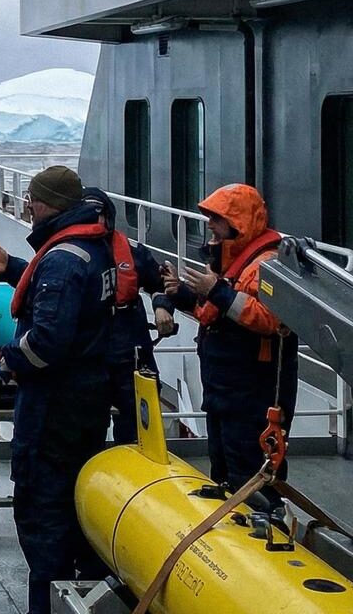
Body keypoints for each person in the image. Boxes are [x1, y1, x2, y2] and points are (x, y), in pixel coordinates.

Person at [0, 165, 113, 614]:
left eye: (31, 200)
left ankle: (46, 605)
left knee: (43, 516)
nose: (27, 207)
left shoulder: (64, 259)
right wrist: (12, 267)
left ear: (47, 204)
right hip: (86, 404)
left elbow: (48, 339)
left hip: (53, 412)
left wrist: (10, 361)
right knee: (79, 510)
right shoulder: (94, 247)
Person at [165, 183, 297, 516]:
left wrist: (217, 292)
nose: (209, 224)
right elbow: (217, 313)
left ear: (238, 222)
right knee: (223, 461)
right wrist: (184, 295)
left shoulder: (268, 263)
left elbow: (268, 318)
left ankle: (268, 526)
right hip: (225, 387)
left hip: (253, 390)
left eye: (216, 218)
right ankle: (232, 523)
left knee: (250, 469)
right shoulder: (233, 261)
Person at [80, 188, 178, 444]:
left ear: (109, 217)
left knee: (138, 428)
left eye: (99, 215)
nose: (95, 221)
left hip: (131, 351)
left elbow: (161, 283)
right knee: (85, 431)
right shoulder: (69, 256)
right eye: (87, 215)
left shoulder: (134, 253)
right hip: (90, 355)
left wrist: (162, 306)